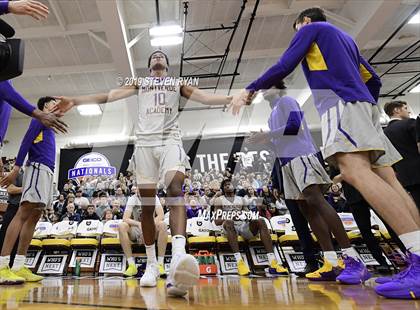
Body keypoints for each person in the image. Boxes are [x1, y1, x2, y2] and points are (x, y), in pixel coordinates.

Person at [230, 7, 420, 299]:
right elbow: (374, 79)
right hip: (361, 105)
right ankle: (413, 253)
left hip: (340, 105)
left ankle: (410, 260)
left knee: (355, 174)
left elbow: (285, 64)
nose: (298, 36)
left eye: (296, 29)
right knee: (389, 180)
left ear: (305, 21)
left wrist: (250, 89)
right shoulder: (347, 39)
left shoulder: (310, 30)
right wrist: (365, 101)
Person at [54, 50, 233, 296]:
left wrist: (232, 98)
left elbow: (204, 97)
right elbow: (110, 95)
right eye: (154, 55)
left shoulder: (176, 83)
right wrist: (76, 100)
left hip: (170, 140)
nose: (158, 56)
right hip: (144, 144)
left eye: (162, 55)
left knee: (174, 190)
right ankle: (151, 265)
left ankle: (179, 254)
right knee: (147, 206)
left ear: (167, 66)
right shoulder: (141, 83)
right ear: (149, 66)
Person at [247, 83, 368, 284]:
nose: (264, 89)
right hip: (286, 162)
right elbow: (279, 143)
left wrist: (267, 135)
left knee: (317, 201)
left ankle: (352, 258)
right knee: (306, 209)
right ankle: (330, 262)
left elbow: (294, 127)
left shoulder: (287, 101)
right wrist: (265, 141)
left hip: (301, 155)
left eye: (268, 85)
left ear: (279, 87)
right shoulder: (271, 116)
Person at [0, 97, 61, 284]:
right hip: (36, 168)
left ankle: (19, 265)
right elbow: (25, 142)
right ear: (44, 106)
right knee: (23, 212)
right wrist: (16, 169)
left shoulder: (50, 127)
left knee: (35, 216)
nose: (56, 105)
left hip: (48, 171)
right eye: (53, 102)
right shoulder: (39, 119)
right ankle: (2, 266)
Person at [214, 178, 288, 276]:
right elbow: (217, 221)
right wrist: (231, 216)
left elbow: (249, 215)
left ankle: (273, 263)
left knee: (261, 221)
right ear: (223, 188)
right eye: (225, 185)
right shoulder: (219, 200)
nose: (228, 186)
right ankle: (239, 262)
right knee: (229, 222)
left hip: (243, 225)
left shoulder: (242, 199)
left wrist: (246, 215)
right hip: (228, 227)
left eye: (230, 184)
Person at [119, 192, 167, 285]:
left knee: (163, 225)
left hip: (151, 227)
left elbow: (161, 215)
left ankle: (160, 264)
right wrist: (139, 224)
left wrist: (148, 225)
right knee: (122, 226)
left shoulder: (154, 197)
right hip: (137, 227)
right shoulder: (132, 198)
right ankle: (132, 265)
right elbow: (125, 218)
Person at [383, 101, 420, 210]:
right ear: (396, 110)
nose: (408, 111)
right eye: (405, 108)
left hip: (405, 176)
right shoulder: (410, 123)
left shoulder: (383, 133)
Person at [0, 169, 23, 268]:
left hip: (25, 209)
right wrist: (27, 189)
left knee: (19, 239)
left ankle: (13, 265)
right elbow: (10, 189)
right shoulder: (16, 173)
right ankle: (2, 265)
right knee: (5, 236)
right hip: (13, 208)